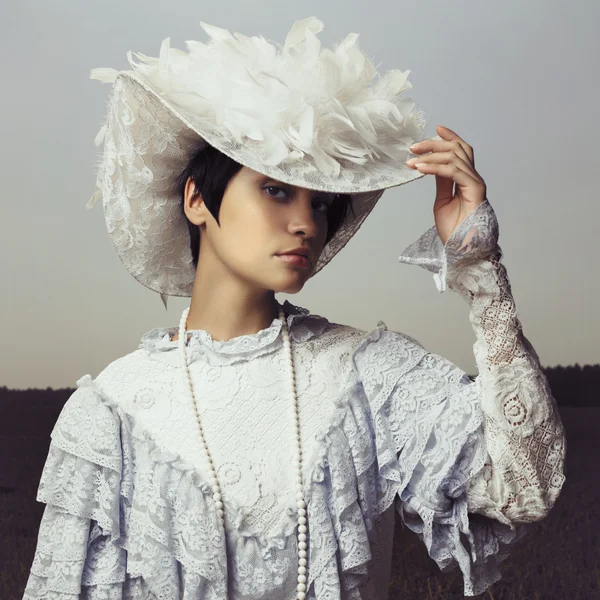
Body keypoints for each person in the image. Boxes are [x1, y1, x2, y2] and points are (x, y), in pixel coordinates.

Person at [22, 17, 567, 600]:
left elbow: (525, 486)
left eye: (322, 202)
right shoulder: (111, 412)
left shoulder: (368, 375)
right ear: (198, 199)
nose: (308, 223)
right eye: (277, 189)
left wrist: (478, 265)